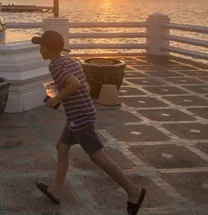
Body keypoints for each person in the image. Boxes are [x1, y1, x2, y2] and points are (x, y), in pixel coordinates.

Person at [31, 31, 146, 214]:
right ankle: (56, 190)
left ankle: (133, 191)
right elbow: (86, 86)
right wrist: (63, 95)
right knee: (62, 147)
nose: (39, 49)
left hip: (80, 118)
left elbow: (75, 84)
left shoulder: (55, 66)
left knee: (97, 156)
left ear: (47, 48)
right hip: (80, 113)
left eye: (41, 45)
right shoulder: (71, 61)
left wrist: (55, 99)